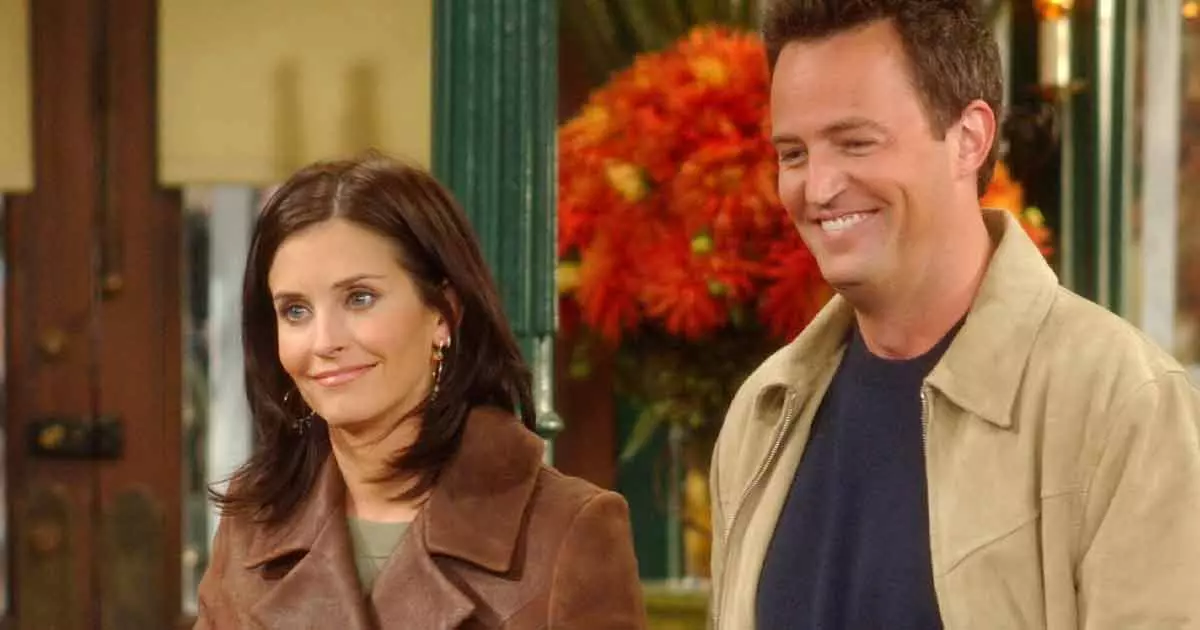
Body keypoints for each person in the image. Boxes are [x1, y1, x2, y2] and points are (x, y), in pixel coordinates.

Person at [709, 1, 1200, 628]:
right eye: (794, 154)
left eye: (856, 143)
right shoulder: (763, 413)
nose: (819, 187)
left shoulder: (1121, 403)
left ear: (969, 139)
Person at [194, 155, 646, 629]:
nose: (324, 341)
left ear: (443, 314)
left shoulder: (569, 529)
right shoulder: (253, 525)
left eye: (360, 298)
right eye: (295, 311)